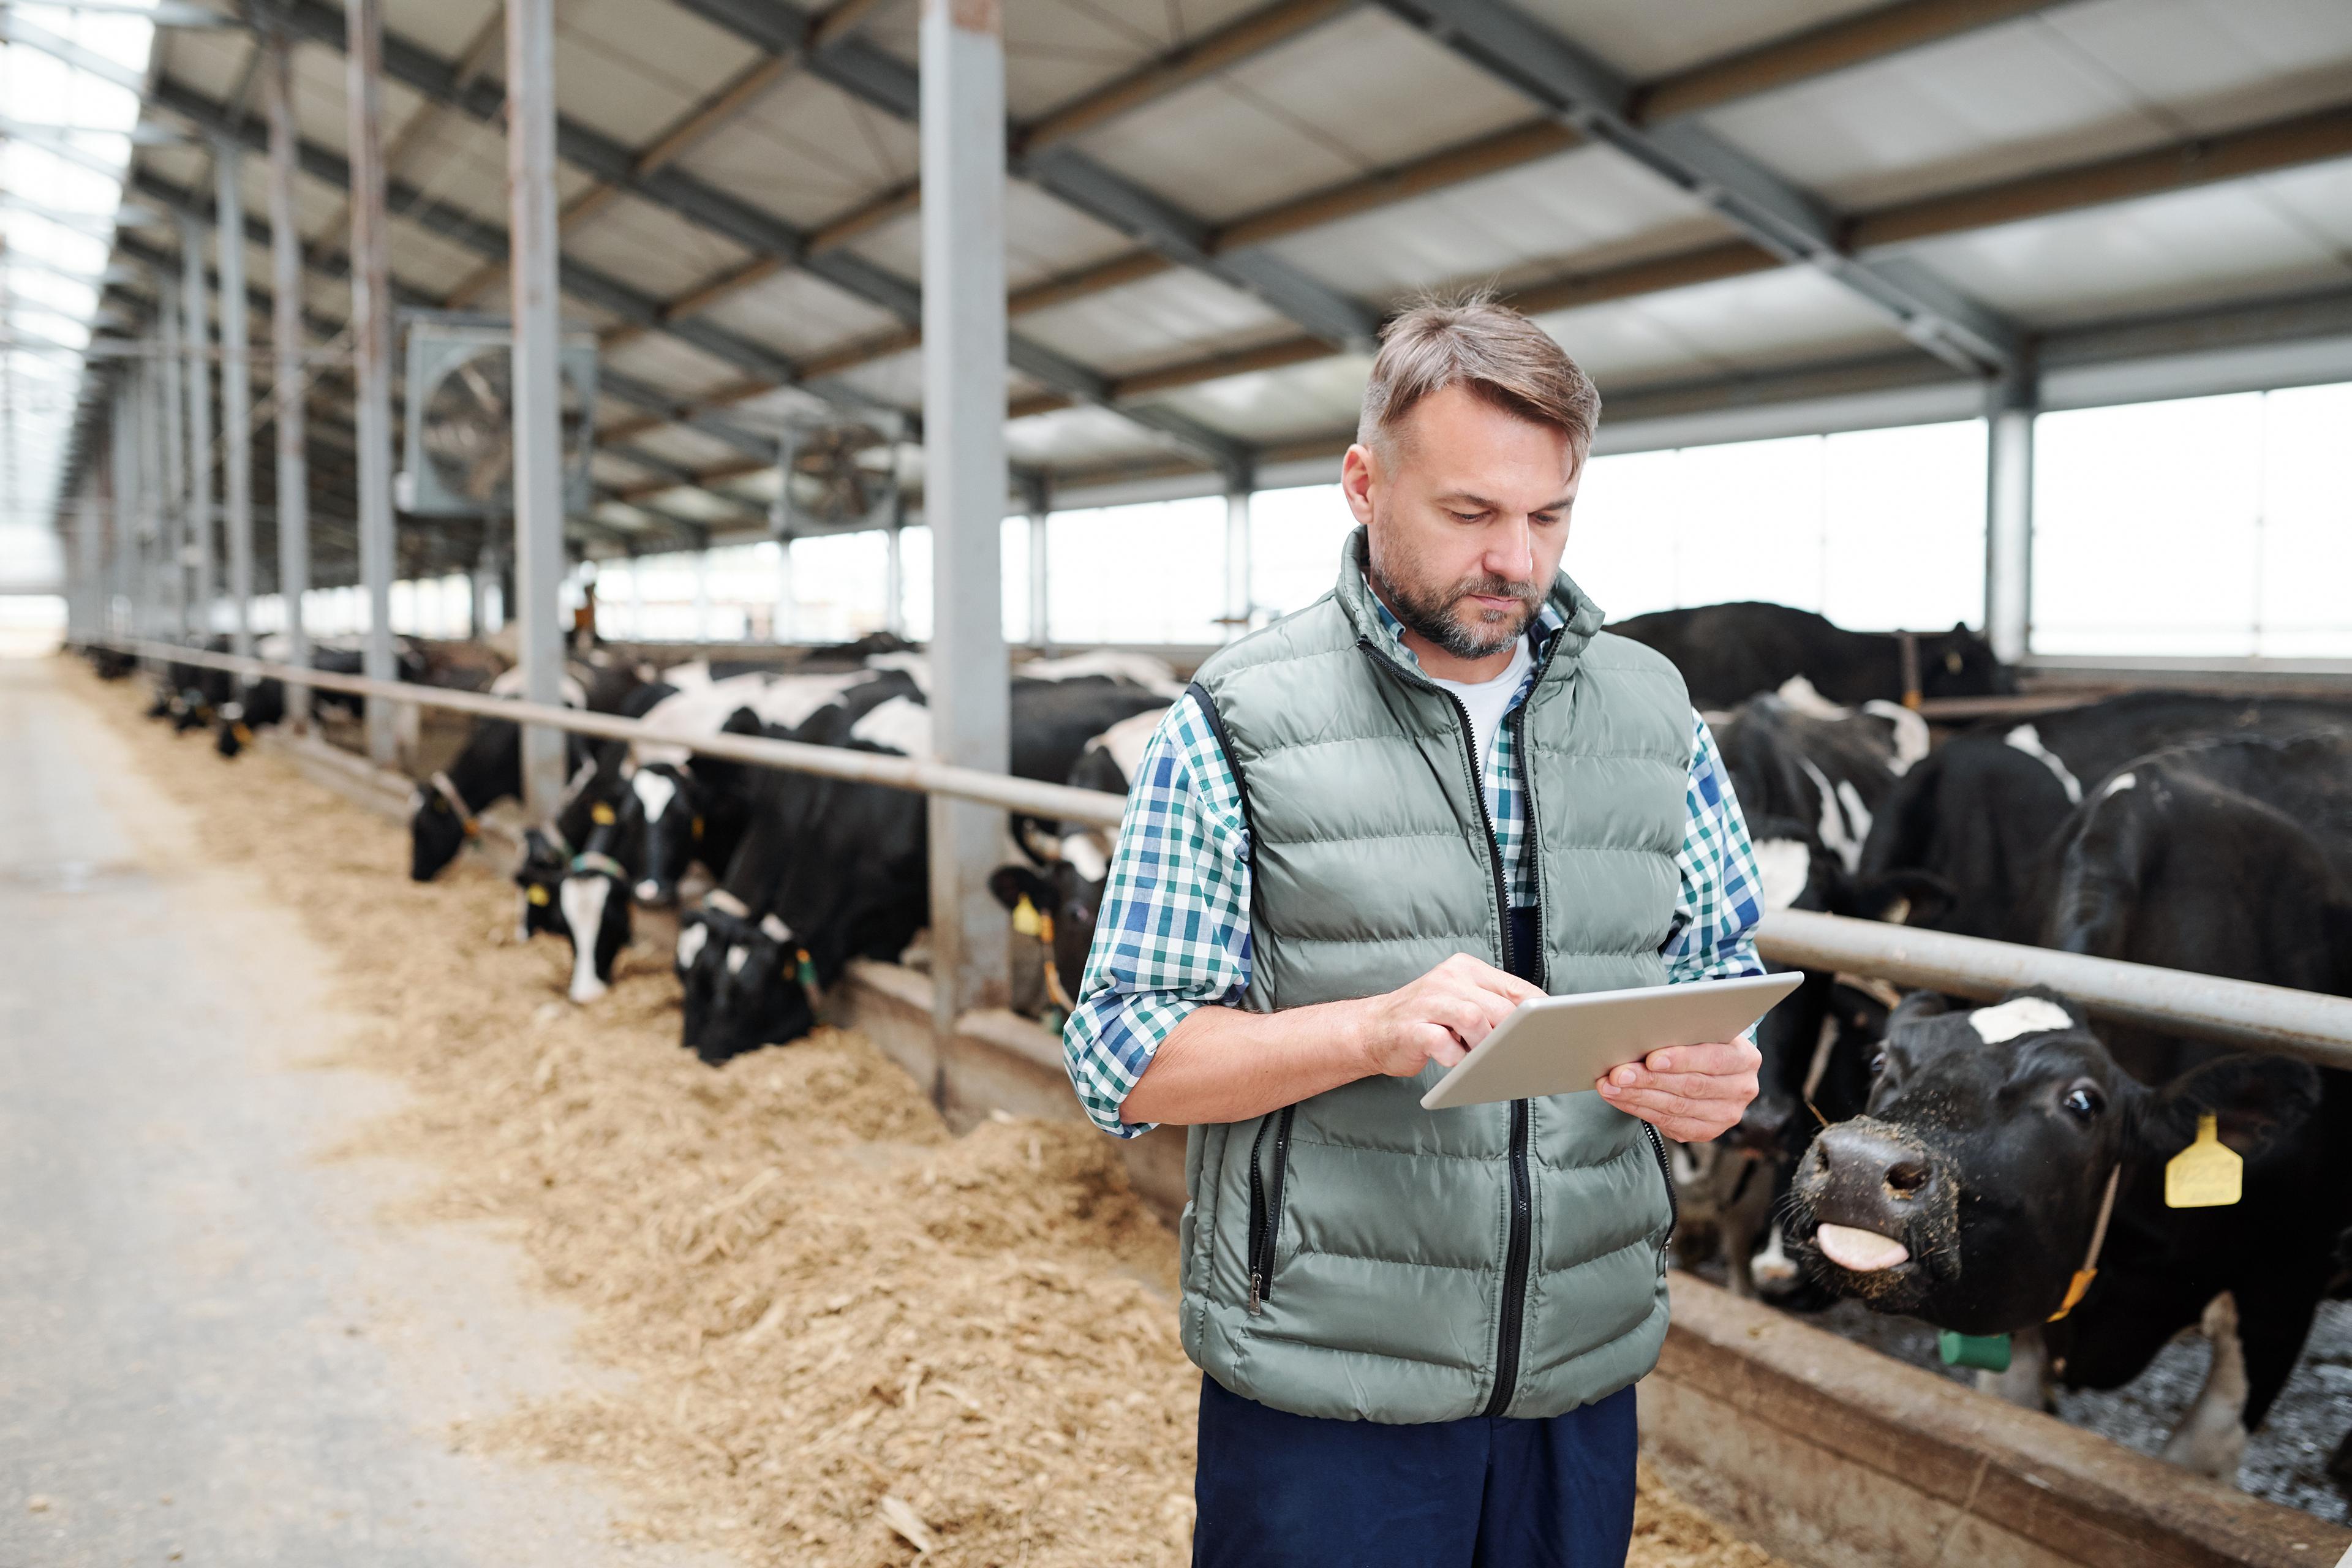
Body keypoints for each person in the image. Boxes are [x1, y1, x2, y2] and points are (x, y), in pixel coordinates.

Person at [1061, 295, 1768, 1567]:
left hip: (1579, 1370)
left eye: (1548, 515)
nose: (1516, 559)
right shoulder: (1237, 721)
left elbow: (1714, 973)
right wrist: (1369, 1028)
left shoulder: (1655, 711)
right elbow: (1122, 1055)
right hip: (1333, 1388)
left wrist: (1716, 1077)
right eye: (1470, 513)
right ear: (1363, 483)